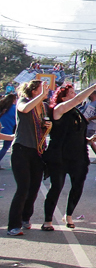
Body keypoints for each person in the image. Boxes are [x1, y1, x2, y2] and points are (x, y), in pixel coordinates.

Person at [41, 78, 96, 232]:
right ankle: (48, 220)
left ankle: (69, 215)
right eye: (72, 94)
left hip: (78, 156)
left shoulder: (76, 112)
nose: (75, 95)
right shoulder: (59, 109)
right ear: (63, 97)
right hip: (59, 156)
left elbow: (75, 133)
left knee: (77, 186)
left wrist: (88, 140)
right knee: (56, 187)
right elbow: (78, 99)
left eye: (75, 93)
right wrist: (95, 85)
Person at [6, 79, 53, 236]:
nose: (45, 91)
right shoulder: (23, 101)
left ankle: (26, 217)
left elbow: (42, 126)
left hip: (37, 151)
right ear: (33, 91)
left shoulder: (42, 107)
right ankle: (14, 225)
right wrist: (41, 96)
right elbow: (24, 110)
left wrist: (47, 127)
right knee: (23, 188)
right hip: (21, 150)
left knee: (34, 188)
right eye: (41, 89)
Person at [83, 90, 96, 163]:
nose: (89, 95)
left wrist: (89, 118)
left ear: (94, 94)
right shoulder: (88, 103)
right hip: (86, 125)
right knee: (89, 141)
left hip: (92, 126)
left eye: (90, 94)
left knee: (87, 140)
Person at [0, 93, 16, 169]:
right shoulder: (14, 108)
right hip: (9, 128)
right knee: (6, 147)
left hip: (2, 127)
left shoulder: (3, 107)